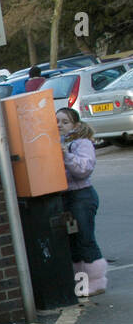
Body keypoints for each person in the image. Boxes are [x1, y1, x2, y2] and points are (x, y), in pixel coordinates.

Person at [56, 107, 106, 295]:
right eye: (57, 121)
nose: (60, 125)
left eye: (65, 122)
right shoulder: (57, 142)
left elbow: (84, 169)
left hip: (82, 196)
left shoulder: (81, 143)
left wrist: (66, 156)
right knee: (73, 242)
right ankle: (81, 284)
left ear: (75, 125)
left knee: (85, 239)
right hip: (66, 197)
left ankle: (97, 282)